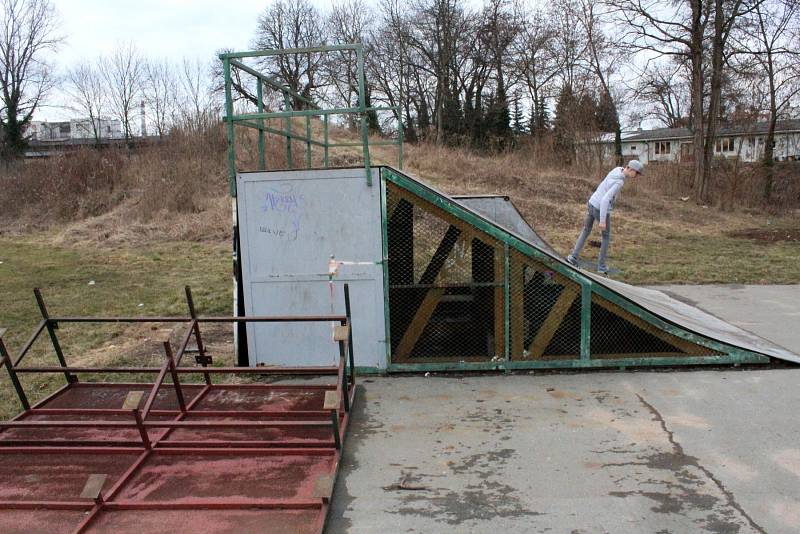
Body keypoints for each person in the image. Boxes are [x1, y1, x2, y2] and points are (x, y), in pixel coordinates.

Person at [566, 160, 644, 274]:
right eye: (637, 173)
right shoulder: (619, 182)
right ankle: (601, 267)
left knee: (586, 230)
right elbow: (605, 200)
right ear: (631, 169)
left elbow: (604, 187)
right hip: (599, 208)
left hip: (592, 202)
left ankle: (573, 257)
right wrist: (602, 220)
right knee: (606, 237)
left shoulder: (617, 169)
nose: (636, 176)